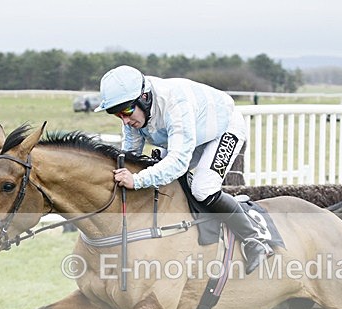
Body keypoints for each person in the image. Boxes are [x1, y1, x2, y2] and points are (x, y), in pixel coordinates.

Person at [95, 65, 273, 274]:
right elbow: (130, 154)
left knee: (203, 188)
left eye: (126, 111)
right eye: (117, 115)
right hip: (192, 137)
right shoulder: (133, 111)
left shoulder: (174, 103)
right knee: (154, 166)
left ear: (144, 98)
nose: (125, 120)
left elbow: (178, 162)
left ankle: (253, 240)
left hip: (224, 129)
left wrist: (137, 180)